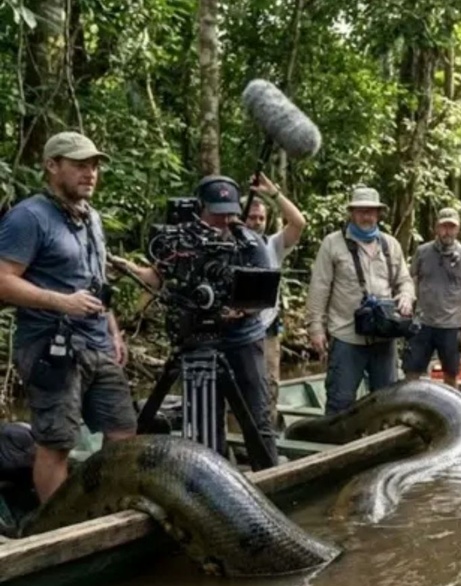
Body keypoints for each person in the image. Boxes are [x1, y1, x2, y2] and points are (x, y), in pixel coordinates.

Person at [0, 132, 138, 502]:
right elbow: (2, 281)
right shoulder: (28, 217)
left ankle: (108, 509)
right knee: (57, 442)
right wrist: (61, 302)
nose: (90, 173)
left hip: (97, 343)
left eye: (93, 165)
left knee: (123, 431)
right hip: (50, 346)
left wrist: (114, 331)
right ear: (52, 166)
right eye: (79, 165)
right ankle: (58, 531)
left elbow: (94, 282)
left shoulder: (91, 217)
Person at [111, 175, 280, 468]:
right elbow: (158, 277)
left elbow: (264, 295)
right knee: (204, 420)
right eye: (217, 212)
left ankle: (271, 478)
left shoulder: (250, 242)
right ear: (201, 207)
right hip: (197, 337)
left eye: (230, 212)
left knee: (256, 415)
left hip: (242, 338)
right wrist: (130, 270)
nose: (224, 219)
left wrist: (241, 311)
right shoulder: (182, 240)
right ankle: (211, 477)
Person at [306, 187, 414, 415]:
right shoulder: (332, 244)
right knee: (340, 400)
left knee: (387, 401)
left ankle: (380, 447)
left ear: (378, 214)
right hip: (346, 335)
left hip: (384, 337)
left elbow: (405, 281)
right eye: (361, 211)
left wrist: (405, 296)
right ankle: (334, 448)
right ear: (352, 213)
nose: (367, 216)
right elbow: (319, 288)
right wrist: (315, 328)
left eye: (371, 211)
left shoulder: (389, 244)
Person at [242, 174, 307, 421]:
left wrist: (273, 193)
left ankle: (265, 437)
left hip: (266, 330)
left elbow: (298, 223)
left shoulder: (273, 245)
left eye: (261, 218)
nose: (257, 222)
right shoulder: (227, 245)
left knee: (269, 385)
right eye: (252, 217)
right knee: (238, 386)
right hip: (235, 330)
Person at [402, 208, 461, 388]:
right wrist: (407, 308)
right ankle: (412, 409)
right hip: (423, 323)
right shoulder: (422, 252)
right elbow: (410, 280)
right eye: (444, 226)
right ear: (436, 228)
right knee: (412, 372)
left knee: (451, 374)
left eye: (451, 227)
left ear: (457, 229)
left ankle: (451, 410)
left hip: (452, 325)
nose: (447, 231)